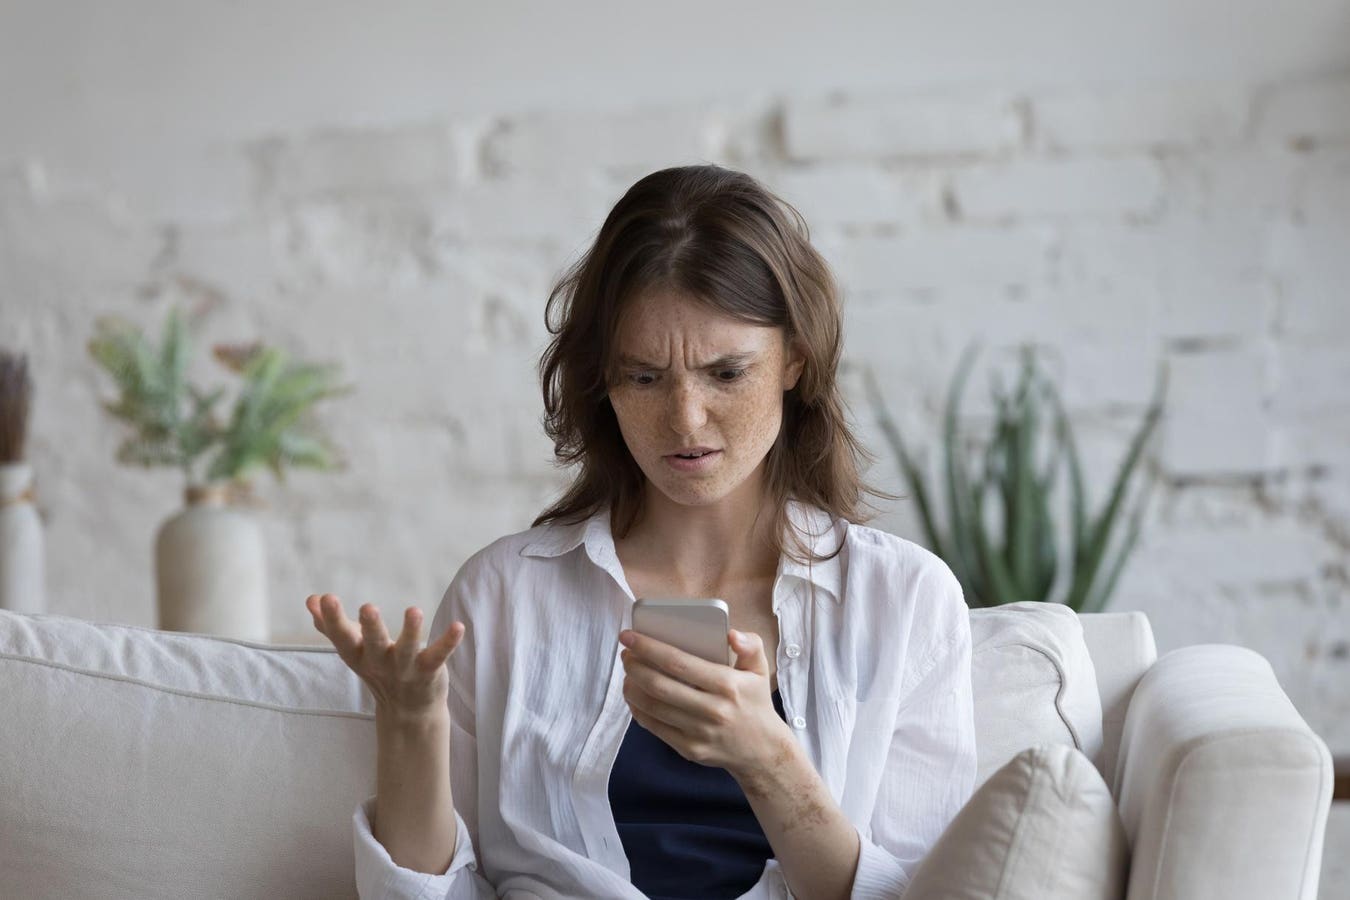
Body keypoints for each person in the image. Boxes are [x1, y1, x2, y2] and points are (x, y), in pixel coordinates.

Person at [307, 164, 977, 900]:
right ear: (604, 380)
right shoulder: (504, 594)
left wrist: (767, 758)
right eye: (646, 377)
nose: (685, 420)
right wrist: (409, 723)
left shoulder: (904, 600)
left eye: (726, 373)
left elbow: (922, 893)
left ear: (795, 358)